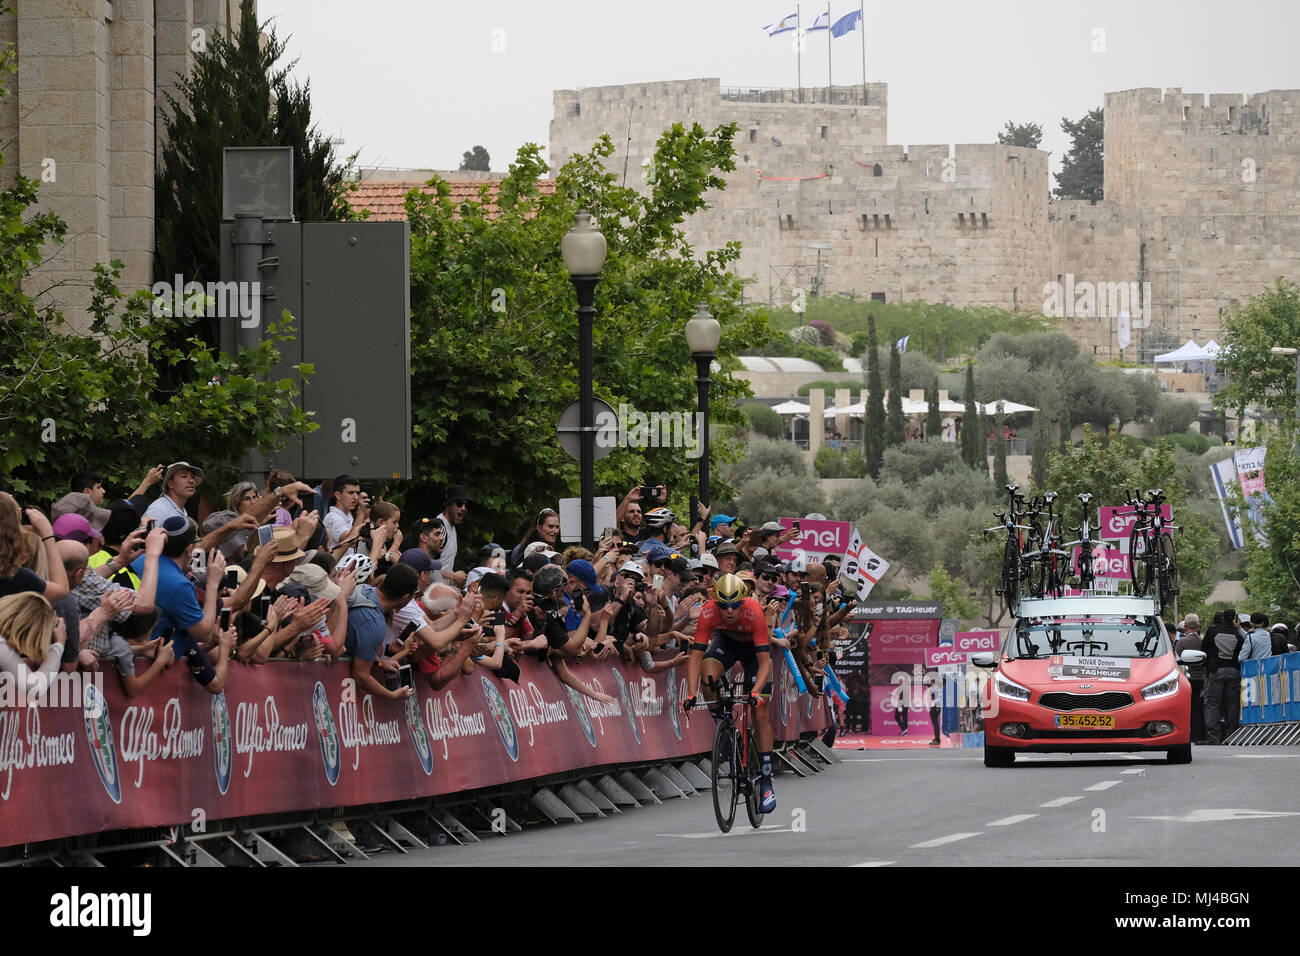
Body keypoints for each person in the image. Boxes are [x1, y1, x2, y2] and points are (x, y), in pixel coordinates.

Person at [682, 573, 777, 813]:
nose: (729, 611)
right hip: (727, 642)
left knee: (760, 709)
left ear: (743, 601)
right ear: (717, 603)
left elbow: (765, 663)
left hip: (754, 652)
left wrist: (755, 692)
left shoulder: (754, 612)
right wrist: (691, 694)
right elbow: (695, 656)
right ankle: (725, 728)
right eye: (724, 606)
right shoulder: (708, 611)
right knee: (709, 675)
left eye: (734, 605)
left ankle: (766, 781)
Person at [1203, 610, 1245, 744]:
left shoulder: (1212, 631)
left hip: (1216, 672)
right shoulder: (1237, 634)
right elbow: (1241, 651)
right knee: (1232, 705)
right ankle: (1231, 735)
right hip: (1233, 671)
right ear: (1234, 619)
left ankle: (1213, 737)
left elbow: (1203, 648)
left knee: (1213, 704)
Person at [1175, 613, 1206, 744]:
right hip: (1202, 678)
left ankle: (1191, 733)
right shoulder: (1202, 641)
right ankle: (1200, 733)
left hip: (1188, 678)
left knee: (1190, 707)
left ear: (1186, 626)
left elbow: (1177, 659)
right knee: (1200, 706)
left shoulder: (1182, 642)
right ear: (1198, 625)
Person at [435, 485, 473, 589]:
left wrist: (455, 581)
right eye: (459, 504)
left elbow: (444, 566)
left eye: (466, 505)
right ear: (448, 504)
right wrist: (453, 576)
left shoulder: (452, 528)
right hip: (429, 594)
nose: (463, 508)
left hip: (441, 593)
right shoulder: (438, 529)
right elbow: (424, 566)